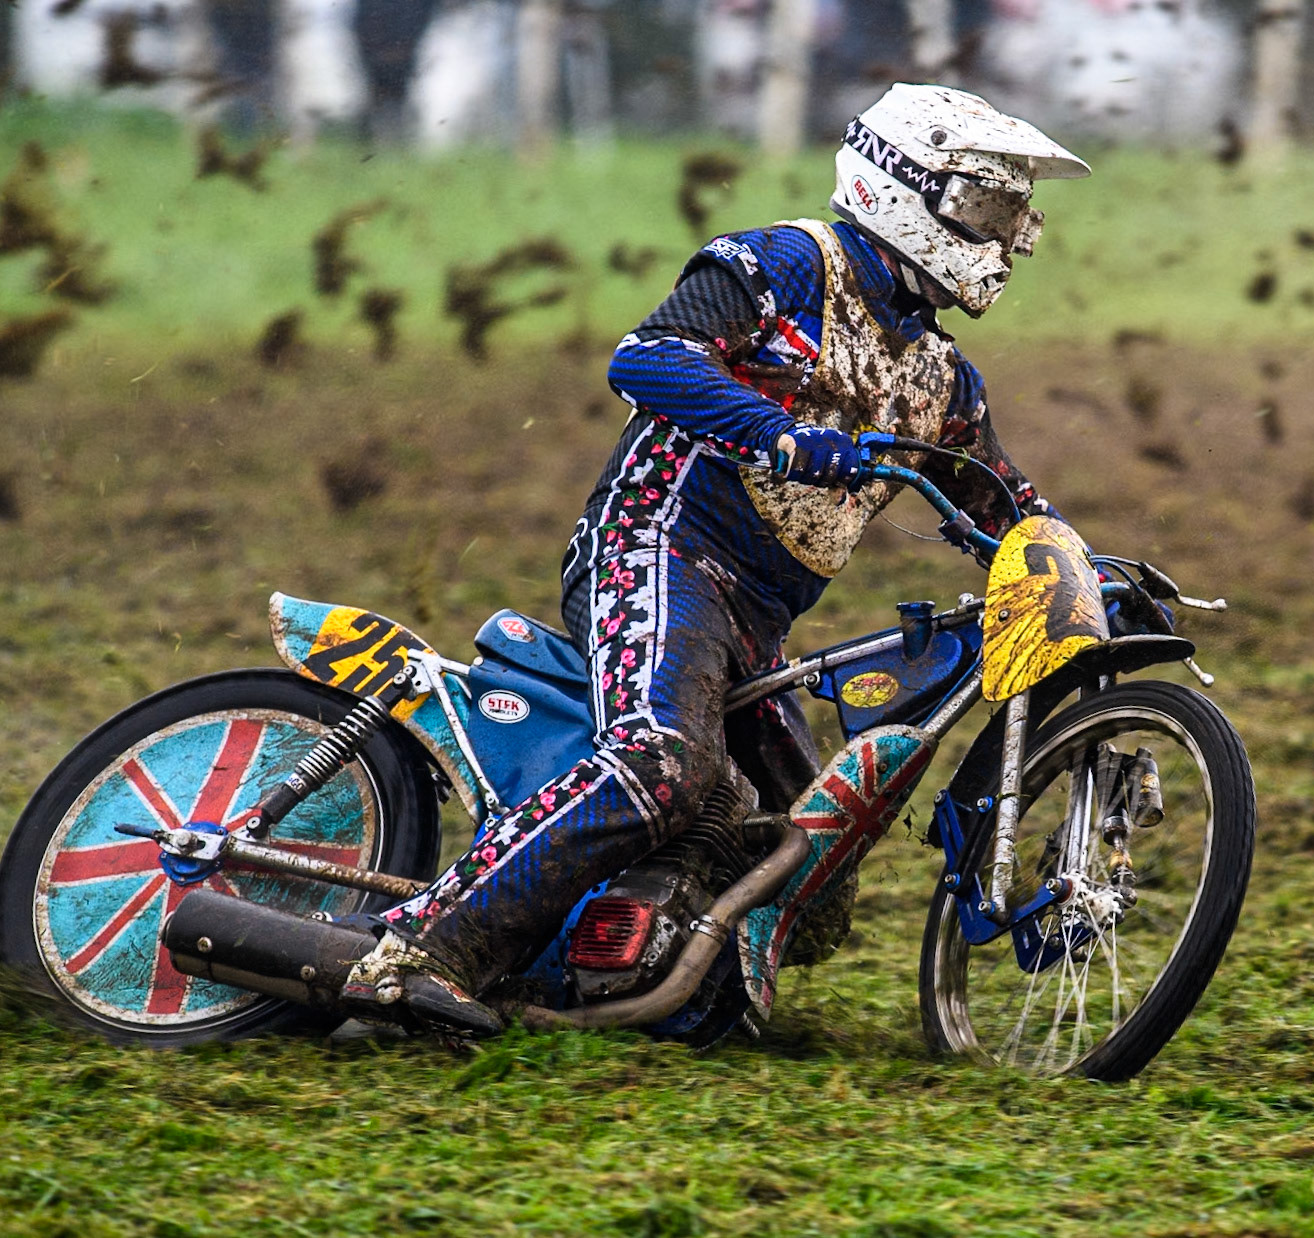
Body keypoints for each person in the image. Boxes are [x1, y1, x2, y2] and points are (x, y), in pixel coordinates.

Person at [343, 83, 1090, 1035]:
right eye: (984, 206)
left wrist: (1092, 573)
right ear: (904, 187)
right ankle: (418, 949)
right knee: (658, 762)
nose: (1002, 236)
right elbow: (648, 357)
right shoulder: (786, 262)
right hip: (654, 547)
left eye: (1010, 213)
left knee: (811, 874)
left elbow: (1004, 507)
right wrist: (784, 436)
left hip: (755, 623)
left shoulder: (943, 379)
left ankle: (610, 957)